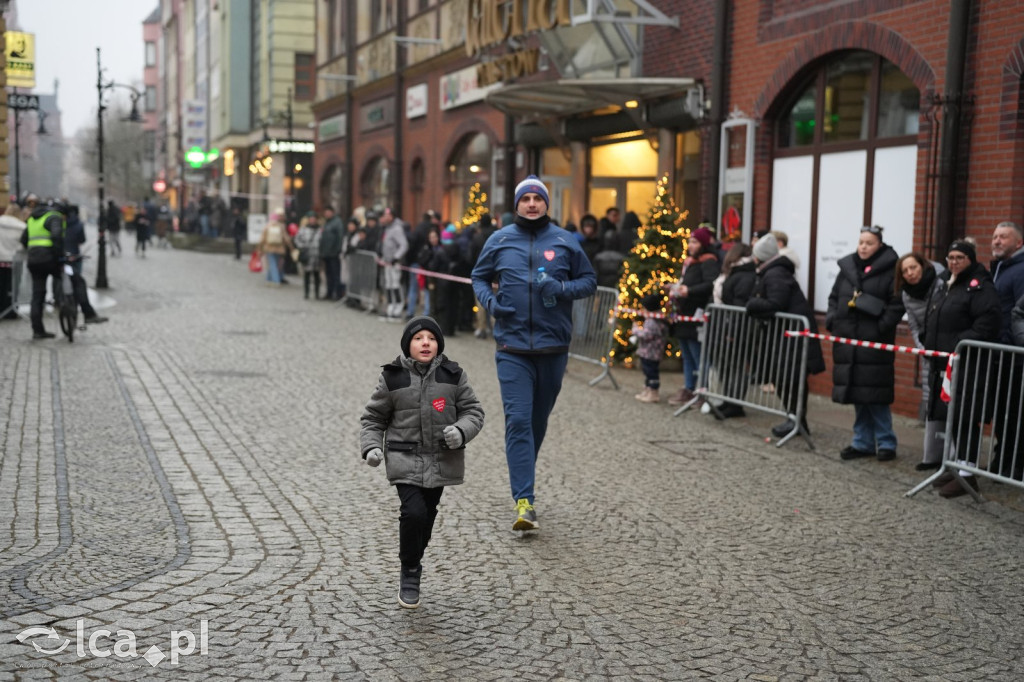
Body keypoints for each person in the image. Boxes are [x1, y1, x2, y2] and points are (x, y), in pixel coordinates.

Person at [471, 175, 597, 531]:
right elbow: (478, 277)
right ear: (516, 205)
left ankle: (523, 467)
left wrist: (561, 287)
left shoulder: (565, 240)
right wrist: (491, 304)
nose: (531, 203)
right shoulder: (499, 240)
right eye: (524, 198)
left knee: (536, 422)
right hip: (511, 347)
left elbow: (588, 281)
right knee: (518, 420)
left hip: (553, 347)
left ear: (545, 203)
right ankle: (524, 502)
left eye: (536, 198)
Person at [359, 316, 484, 608]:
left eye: (431, 337)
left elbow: (473, 412)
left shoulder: (453, 375)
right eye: (418, 338)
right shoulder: (393, 377)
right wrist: (371, 448)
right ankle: (410, 570)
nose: (425, 342)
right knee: (413, 513)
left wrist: (461, 430)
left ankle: (414, 557)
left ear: (438, 344)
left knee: (426, 516)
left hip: (442, 460)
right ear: (407, 345)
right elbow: (373, 418)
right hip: (404, 459)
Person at [922, 240, 1002, 497]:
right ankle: (955, 465)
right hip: (946, 364)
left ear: (970, 259)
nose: (954, 262)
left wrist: (959, 344)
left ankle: (968, 474)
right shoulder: (947, 282)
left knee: (966, 417)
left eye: (959, 257)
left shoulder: (979, 286)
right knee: (953, 416)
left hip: (968, 363)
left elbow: (987, 322)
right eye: (950, 257)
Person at [826, 225, 904, 461]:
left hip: (873, 344)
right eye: (861, 242)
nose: (863, 247)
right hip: (849, 341)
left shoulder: (892, 269)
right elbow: (833, 297)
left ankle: (886, 442)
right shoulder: (847, 268)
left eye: (869, 243)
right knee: (858, 395)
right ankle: (862, 442)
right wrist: (833, 321)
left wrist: (880, 329)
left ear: (879, 244)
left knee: (875, 396)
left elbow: (897, 304)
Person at [746, 234, 825, 436]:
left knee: (789, 379)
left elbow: (775, 303)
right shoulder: (773, 272)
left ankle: (796, 420)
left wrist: (752, 305)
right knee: (782, 377)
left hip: (791, 336)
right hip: (784, 336)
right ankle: (795, 419)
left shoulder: (775, 274)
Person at [893, 252, 945, 452]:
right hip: (927, 351)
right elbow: (913, 326)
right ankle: (932, 453)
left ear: (923, 266)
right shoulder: (906, 293)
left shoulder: (940, 284)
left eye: (913, 267)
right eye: (905, 271)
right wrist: (921, 348)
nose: (910, 273)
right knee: (930, 397)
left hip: (944, 349)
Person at [666, 226, 720, 406]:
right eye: (689, 241)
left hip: (696, 314)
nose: (690, 245)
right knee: (687, 355)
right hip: (684, 314)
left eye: (694, 242)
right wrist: (676, 287)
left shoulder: (709, 261)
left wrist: (689, 290)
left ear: (703, 244)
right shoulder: (689, 262)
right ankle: (689, 388)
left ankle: (702, 390)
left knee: (698, 355)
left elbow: (710, 285)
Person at [988, 221, 1024, 482]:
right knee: (1000, 411)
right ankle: (1002, 459)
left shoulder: (1020, 270)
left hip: (1014, 355)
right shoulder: (1000, 267)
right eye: (995, 236)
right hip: (998, 353)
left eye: (1003, 237)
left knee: (1013, 412)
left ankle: (1011, 463)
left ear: (1018, 243)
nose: (997, 241)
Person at [712, 242, 757, 419]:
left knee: (736, 366)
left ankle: (735, 403)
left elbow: (739, 305)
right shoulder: (735, 272)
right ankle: (728, 399)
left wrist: (732, 330)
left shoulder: (744, 275)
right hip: (726, 324)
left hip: (736, 328)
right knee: (726, 365)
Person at [19, 199, 65, 339]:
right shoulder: (54, 216)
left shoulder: (32, 219)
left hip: (34, 261)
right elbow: (57, 237)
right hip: (50, 259)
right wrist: (59, 256)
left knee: (37, 296)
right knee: (70, 279)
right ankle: (69, 305)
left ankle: (38, 331)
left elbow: (23, 239)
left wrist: (32, 250)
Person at [62, 203, 108, 324]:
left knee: (59, 281)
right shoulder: (77, 224)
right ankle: (88, 313)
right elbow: (82, 240)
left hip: (54, 258)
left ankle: (60, 301)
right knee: (79, 283)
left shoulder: (56, 222)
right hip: (72, 258)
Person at [632, 293, 669, 403]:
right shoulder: (655, 320)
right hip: (649, 352)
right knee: (648, 372)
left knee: (651, 372)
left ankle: (653, 392)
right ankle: (648, 390)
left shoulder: (652, 321)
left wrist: (635, 330)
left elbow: (646, 335)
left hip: (650, 352)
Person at [380, 208, 409, 320]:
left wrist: (396, 257)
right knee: (389, 285)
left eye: (387, 215)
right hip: (387, 262)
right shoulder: (387, 228)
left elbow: (404, 245)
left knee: (396, 285)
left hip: (394, 263)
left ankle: (398, 308)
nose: (385, 217)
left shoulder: (397, 229)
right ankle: (390, 307)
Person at [258, 210, 293, 285]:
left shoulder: (267, 226)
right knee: (276, 264)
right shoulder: (281, 226)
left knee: (272, 264)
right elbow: (286, 238)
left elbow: (262, 239)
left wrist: (260, 248)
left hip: (269, 248)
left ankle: (275, 280)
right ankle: (269, 279)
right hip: (279, 248)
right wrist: (291, 247)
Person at [294, 211, 322, 299]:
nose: (312, 220)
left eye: (314, 219)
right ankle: (306, 293)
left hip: (317, 255)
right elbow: (297, 239)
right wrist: (302, 247)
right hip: (307, 255)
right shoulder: (303, 229)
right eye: (311, 219)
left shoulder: (320, 230)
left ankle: (317, 293)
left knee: (317, 275)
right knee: (307, 275)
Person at [320, 207, 344, 301]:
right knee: (328, 274)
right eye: (325, 212)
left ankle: (337, 293)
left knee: (335, 274)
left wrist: (337, 250)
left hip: (334, 253)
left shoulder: (337, 222)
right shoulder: (326, 223)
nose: (327, 214)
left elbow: (339, 237)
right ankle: (329, 292)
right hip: (326, 253)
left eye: (328, 212)